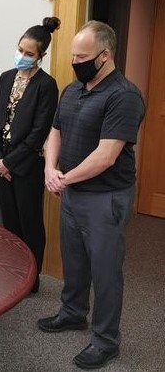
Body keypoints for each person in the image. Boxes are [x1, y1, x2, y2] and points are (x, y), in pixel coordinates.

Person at [37, 20, 145, 369]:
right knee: (75, 259)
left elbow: (106, 155)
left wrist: (63, 178)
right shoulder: (72, 90)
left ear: (105, 55)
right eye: (72, 55)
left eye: (82, 56)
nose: (75, 62)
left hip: (106, 196)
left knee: (105, 269)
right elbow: (55, 132)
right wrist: (49, 168)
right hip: (71, 190)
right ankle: (72, 312)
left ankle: (106, 341)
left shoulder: (124, 96)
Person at [0, 17, 60, 293]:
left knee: (29, 222)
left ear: (41, 56)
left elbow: (39, 132)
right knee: (9, 222)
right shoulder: (6, 77)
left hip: (27, 165)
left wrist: (10, 163)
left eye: (29, 54)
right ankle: (13, 273)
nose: (22, 56)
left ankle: (31, 279)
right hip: (1, 162)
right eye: (20, 50)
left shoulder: (47, 85)